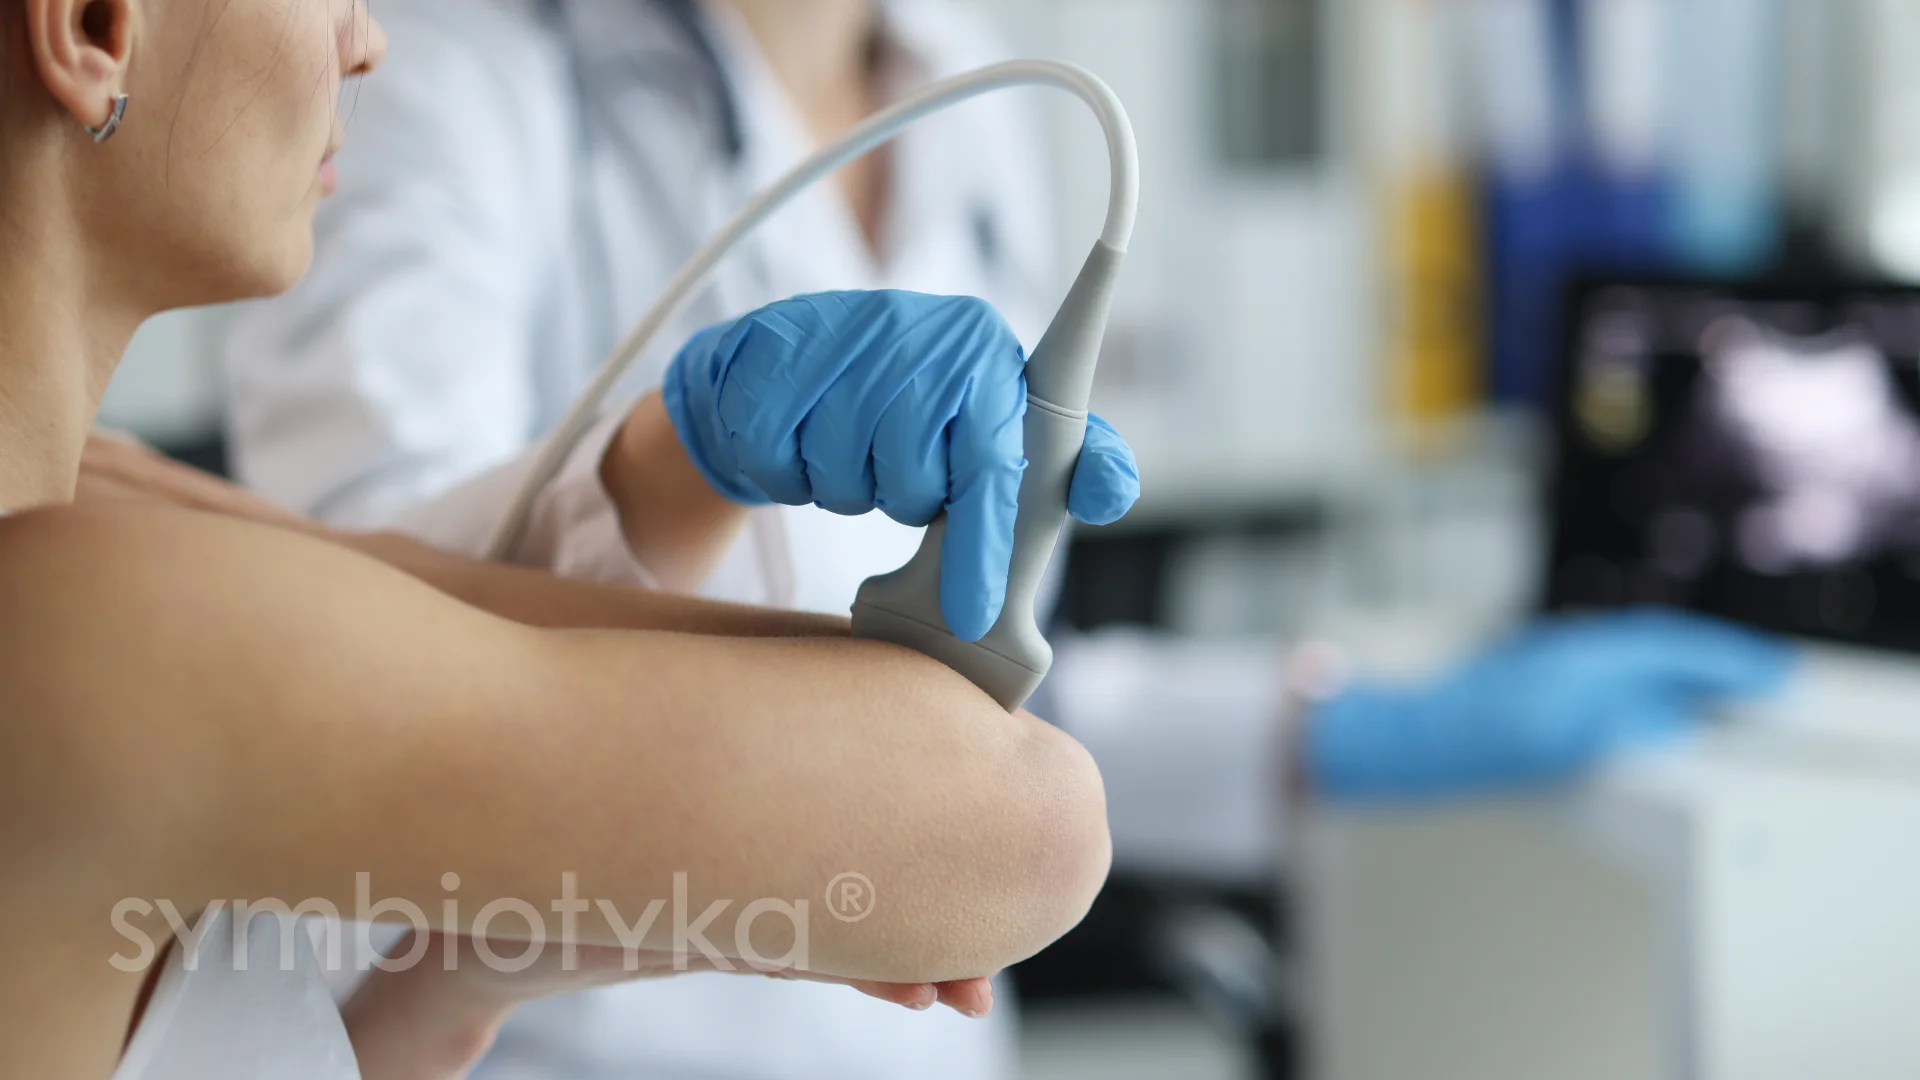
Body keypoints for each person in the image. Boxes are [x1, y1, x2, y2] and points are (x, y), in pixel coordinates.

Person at [220, 0, 1798, 1076]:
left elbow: (970, 679)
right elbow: (361, 650)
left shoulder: (972, 81)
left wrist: (1337, 733)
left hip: (925, 1024)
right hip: (574, 1039)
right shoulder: (439, 68)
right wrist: (667, 467)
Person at [0, 0, 1140, 1075]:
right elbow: (1015, 823)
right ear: (95, 26)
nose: (367, 39)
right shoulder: (88, 617)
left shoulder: (106, 503)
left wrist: (457, 985)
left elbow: (430, 608)